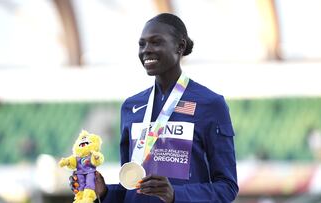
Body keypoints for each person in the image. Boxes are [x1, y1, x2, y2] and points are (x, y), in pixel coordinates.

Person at [71, 13, 238, 203]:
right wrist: (104, 192)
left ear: (180, 46)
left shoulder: (210, 104)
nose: (146, 50)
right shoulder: (131, 107)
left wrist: (175, 195)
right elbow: (131, 190)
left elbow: (227, 187)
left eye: (156, 42)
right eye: (142, 44)